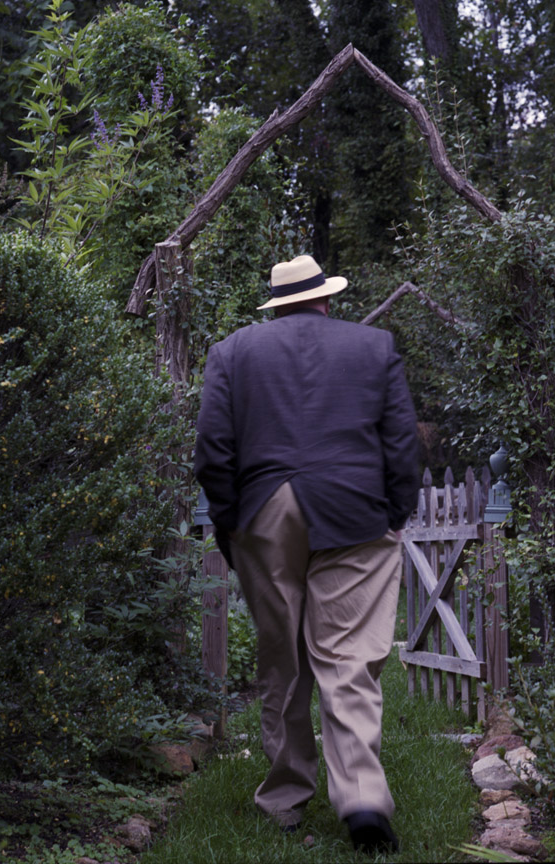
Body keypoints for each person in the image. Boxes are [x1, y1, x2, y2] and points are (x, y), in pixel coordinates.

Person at [194, 254, 420, 854]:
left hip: (264, 510)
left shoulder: (232, 353)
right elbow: (401, 443)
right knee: (348, 658)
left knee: (282, 657)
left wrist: (230, 523)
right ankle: (363, 799)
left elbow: (213, 450)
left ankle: (287, 798)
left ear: (276, 304)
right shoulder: (374, 346)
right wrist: (395, 513)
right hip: (354, 509)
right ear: (326, 299)